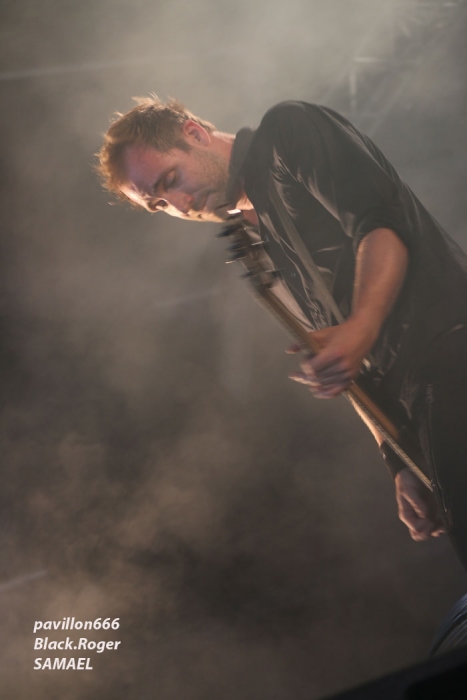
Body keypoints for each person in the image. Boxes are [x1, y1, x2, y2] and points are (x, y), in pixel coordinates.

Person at [97, 95, 467, 568]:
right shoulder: (260, 239)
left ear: (194, 133)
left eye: (170, 180)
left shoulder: (286, 132)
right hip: (424, 403)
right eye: (159, 204)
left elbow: (381, 225)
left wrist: (361, 326)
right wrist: (399, 457)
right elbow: (347, 358)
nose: (180, 206)